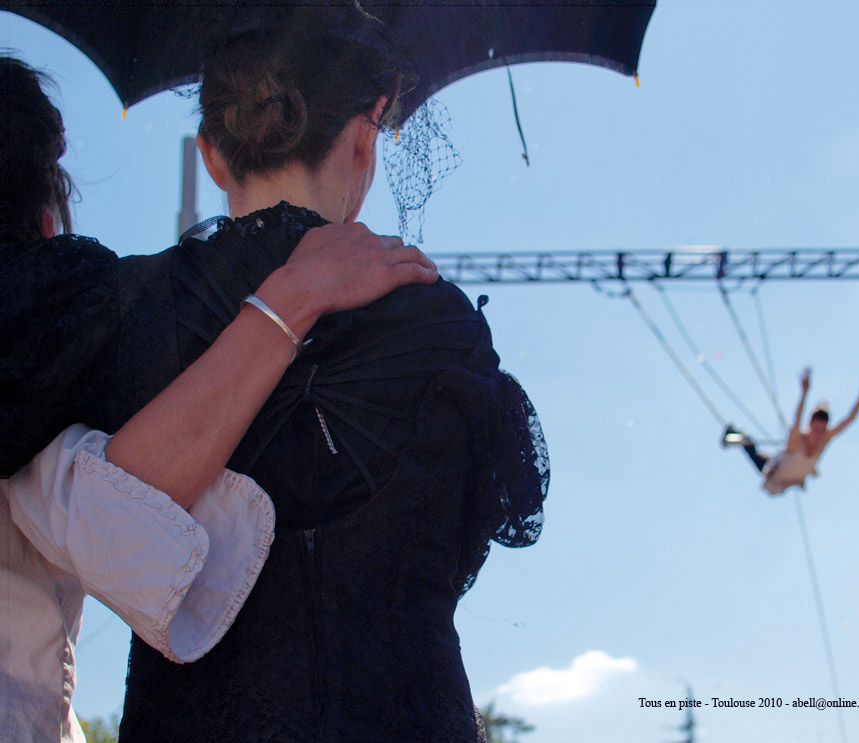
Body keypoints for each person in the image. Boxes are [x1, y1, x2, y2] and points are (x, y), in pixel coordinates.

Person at [11, 7, 548, 741]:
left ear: (210, 153)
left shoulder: (114, 310)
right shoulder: (442, 324)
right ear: (365, 138)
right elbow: (459, 539)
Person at [722, 368, 859, 495]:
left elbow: (850, 419)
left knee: (751, 446)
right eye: (817, 423)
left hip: (794, 479)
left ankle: (738, 436)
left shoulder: (826, 437)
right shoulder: (797, 438)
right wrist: (804, 393)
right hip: (774, 473)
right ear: (811, 423)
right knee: (750, 446)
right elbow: (797, 419)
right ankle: (732, 434)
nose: (820, 429)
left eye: (824, 423)